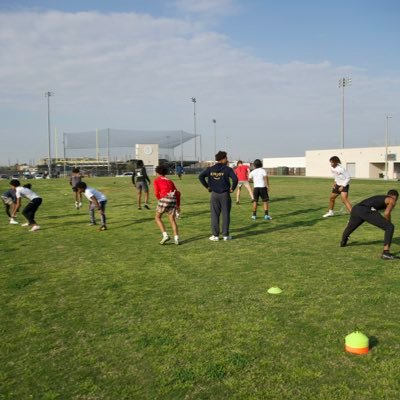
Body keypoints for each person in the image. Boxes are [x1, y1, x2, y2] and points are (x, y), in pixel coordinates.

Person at [341, 189, 399, 260]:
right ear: (395, 197)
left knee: (349, 228)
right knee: (390, 227)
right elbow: (387, 213)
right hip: (366, 210)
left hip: (356, 209)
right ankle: (385, 253)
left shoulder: (382, 197)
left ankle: (343, 241)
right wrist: (388, 224)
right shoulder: (392, 199)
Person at [199, 150, 238, 241]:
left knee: (214, 215)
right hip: (225, 194)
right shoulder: (228, 169)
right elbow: (235, 179)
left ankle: (215, 236)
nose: (227, 160)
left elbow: (201, 177)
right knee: (225, 214)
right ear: (223, 159)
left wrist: (207, 187)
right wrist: (232, 188)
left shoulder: (210, 169)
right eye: (226, 158)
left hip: (214, 194)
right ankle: (225, 235)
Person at [153, 164, 181, 245]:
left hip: (164, 199)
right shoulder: (170, 181)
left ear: (157, 172)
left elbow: (156, 193)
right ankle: (176, 238)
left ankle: (165, 235)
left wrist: (160, 200)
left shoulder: (157, 180)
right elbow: (178, 193)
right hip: (173, 199)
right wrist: (178, 205)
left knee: (157, 217)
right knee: (172, 219)